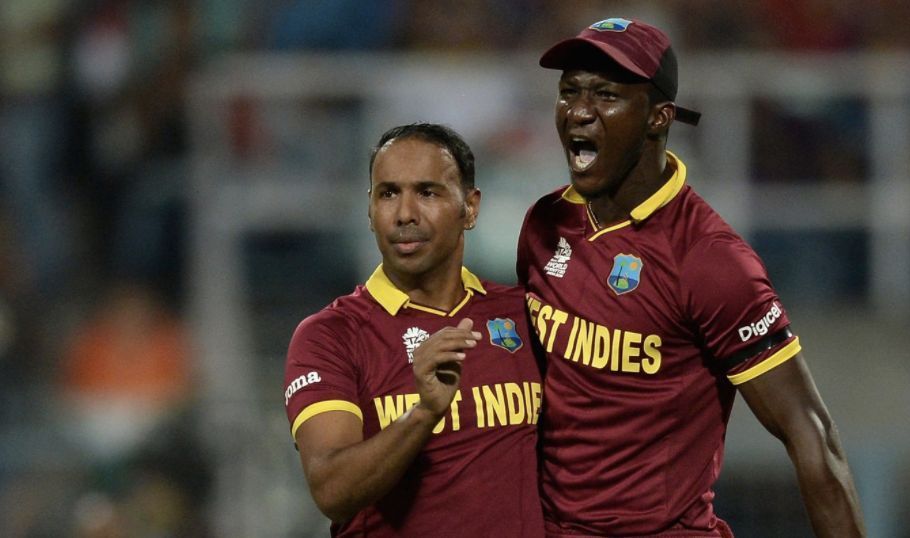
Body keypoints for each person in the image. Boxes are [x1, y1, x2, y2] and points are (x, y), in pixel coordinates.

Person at [516, 18, 866, 537]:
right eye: (570, 92)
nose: (580, 111)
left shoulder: (709, 260)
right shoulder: (545, 223)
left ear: (658, 117)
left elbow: (811, 434)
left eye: (607, 94)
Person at [285, 123, 545, 537]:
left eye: (427, 192)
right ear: (369, 210)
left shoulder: (524, 315)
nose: (405, 213)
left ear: (471, 207)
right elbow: (331, 490)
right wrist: (423, 413)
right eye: (388, 193)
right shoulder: (330, 337)